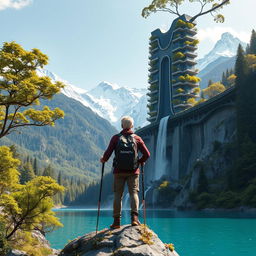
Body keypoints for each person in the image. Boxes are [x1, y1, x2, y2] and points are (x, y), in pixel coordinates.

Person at [100, 116, 150, 229]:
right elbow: (147, 154)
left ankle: (117, 222)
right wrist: (140, 162)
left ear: (122, 126)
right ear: (132, 126)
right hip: (133, 171)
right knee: (134, 193)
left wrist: (103, 159)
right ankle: (135, 219)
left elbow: (107, 154)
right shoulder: (137, 138)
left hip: (118, 171)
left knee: (118, 195)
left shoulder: (115, 138)